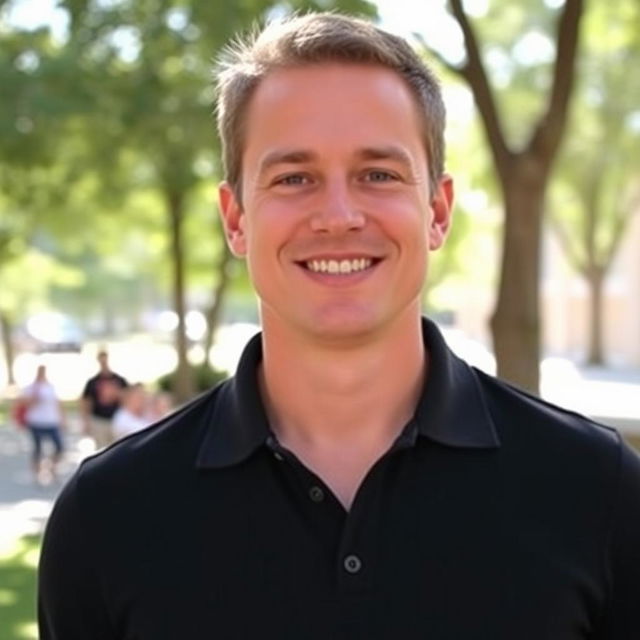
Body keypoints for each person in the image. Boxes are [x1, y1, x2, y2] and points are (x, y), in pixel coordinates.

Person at [39, 13, 640, 639]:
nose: (338, 215)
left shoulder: (598, 494)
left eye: (377, 174)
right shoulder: (107, 517)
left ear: (437, 210)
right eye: (294, 178)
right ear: (236, 218)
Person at [21, 364, 65, 485]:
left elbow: (57, 404)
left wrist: (62, 419)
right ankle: (37, 474)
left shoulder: (50, 387)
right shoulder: (31, 388)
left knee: (59, 447)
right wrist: (35, 396)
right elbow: (25, 404)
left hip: (52, 421)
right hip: (36, 422)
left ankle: (52, 469)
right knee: (38, 449)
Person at [79, 349, 128, 449]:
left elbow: (128, 397)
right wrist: (86, 421)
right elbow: (86, 402)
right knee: (101, 448)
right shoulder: (92, 382)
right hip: (99, 420)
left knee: (118, 448)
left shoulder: (119, 380)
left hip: (116, 419)